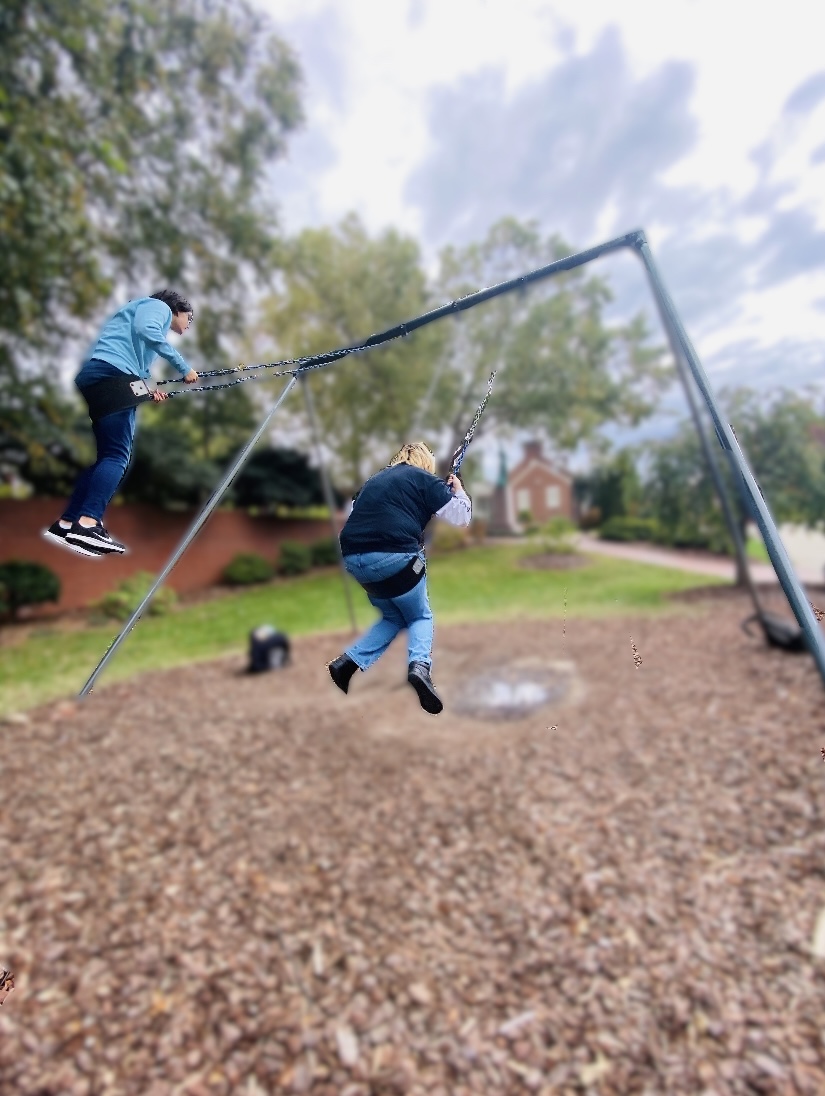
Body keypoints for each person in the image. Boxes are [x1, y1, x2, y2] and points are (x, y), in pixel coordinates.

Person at [42, 290, 199, 557]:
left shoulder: (138, 313)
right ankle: (88, 523)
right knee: (117, 456)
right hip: (111, 375)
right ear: (177, 309)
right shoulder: (158, 307)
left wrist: (147, 393)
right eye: (189, 318)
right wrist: (184, 367)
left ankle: (67, 523)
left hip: (103, 376)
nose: (188, 325)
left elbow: (130, 366)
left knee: (106, 457)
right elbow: (146, 331)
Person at [327, 441, 471, 715]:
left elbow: (353, 512)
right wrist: (458, 491)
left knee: (394, 617)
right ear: (426, 462)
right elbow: (462, 516)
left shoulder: (373, 481)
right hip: (395, 558)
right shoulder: (423, 479)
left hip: (354, 559)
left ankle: (347, 663)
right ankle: (420, 668)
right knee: (419, 616)